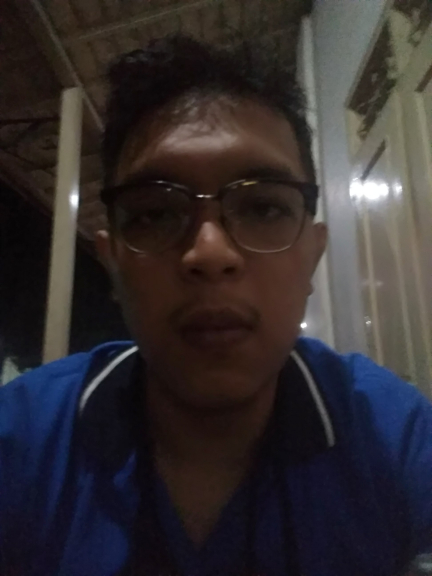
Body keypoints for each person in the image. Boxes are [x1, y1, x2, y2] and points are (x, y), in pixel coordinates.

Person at [0, 35, 431, 576]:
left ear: (312, 254)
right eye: (155, 213)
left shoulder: (395, 434)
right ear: (112, 263)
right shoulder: (20, 440)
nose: (210, 253)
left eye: (263, 207)